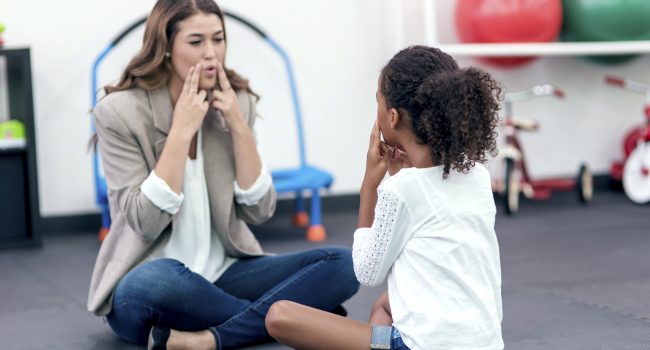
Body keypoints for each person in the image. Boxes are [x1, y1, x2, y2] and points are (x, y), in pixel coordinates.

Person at [87, 0, 359, 349]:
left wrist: (237, 127)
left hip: (223, 275)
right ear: (166, 48)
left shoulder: (237, 101)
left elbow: (259, 211)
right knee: (158, 281)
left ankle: (214, 338)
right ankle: (290, 320)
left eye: (218, 39)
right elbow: (145, 221)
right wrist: (181, 131)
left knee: (343, 264)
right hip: (150, 280)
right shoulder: (119, 112)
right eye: (196, 41)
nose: (211, 53)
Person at [265, 45, 504, 350]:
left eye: (377, 100)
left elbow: (367, 271)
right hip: (486, 343)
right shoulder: (477, 176)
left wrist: (370, 186)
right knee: (386, 304)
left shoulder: (401, 190)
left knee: (279, 315)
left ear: (392, 117)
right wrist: (398, 177)